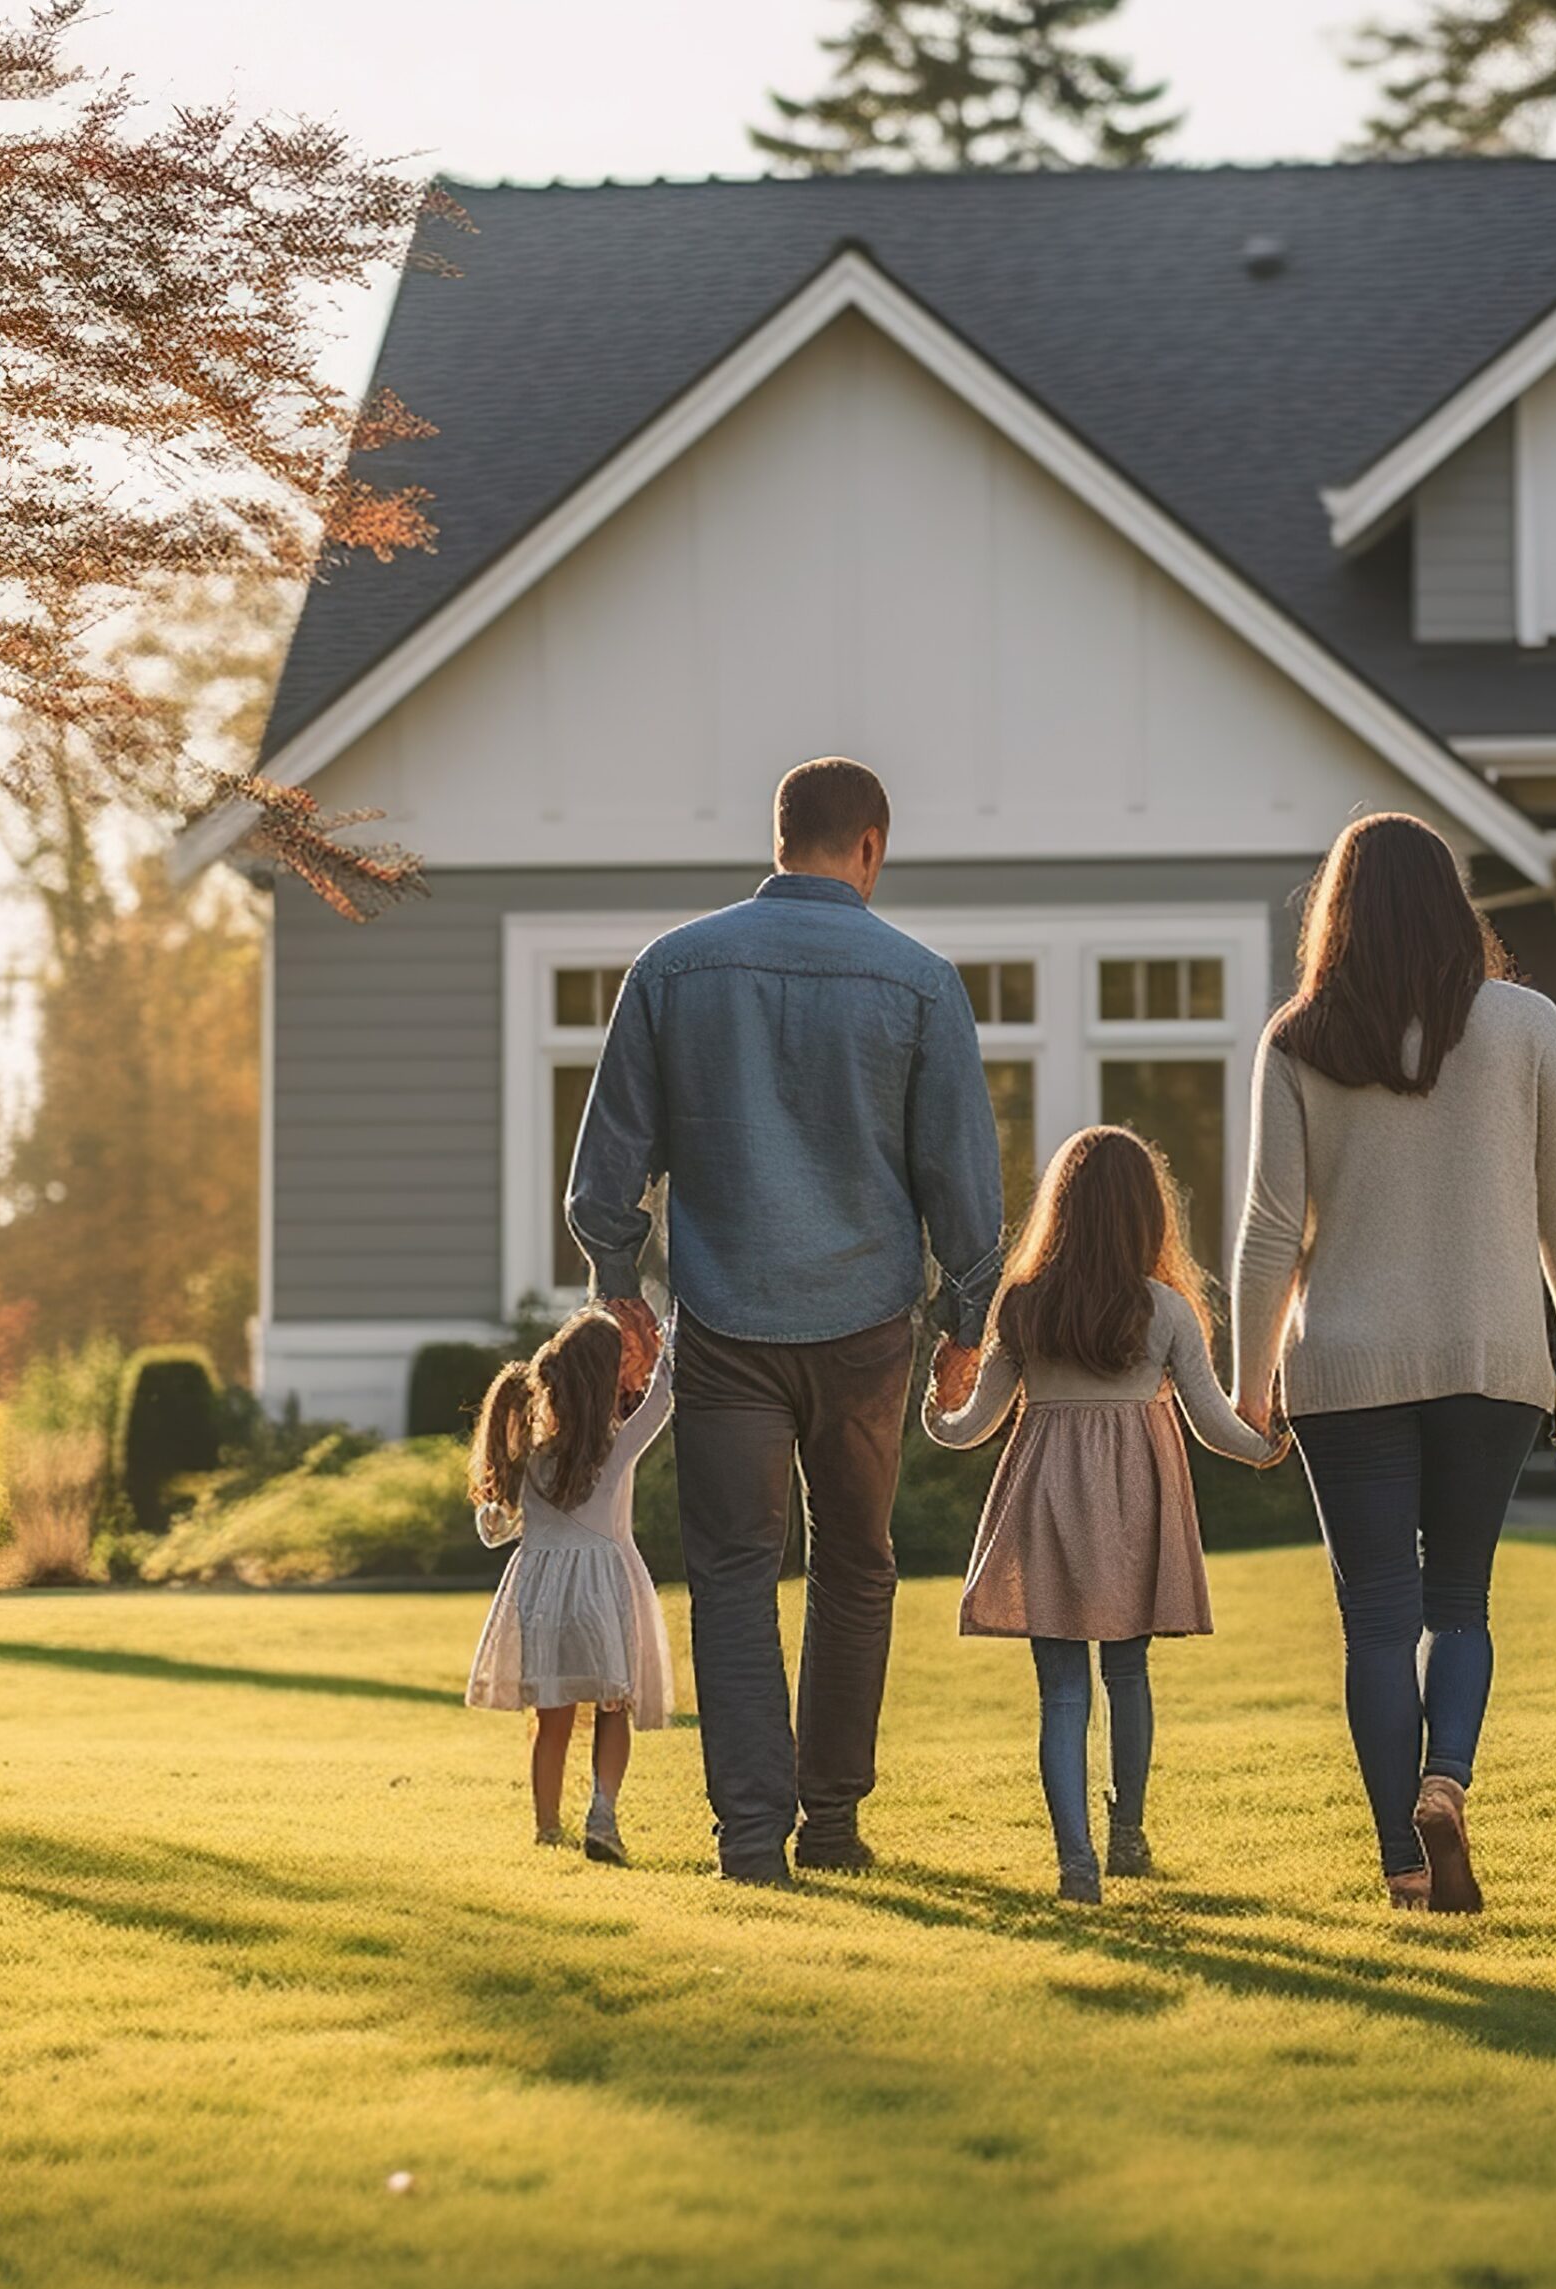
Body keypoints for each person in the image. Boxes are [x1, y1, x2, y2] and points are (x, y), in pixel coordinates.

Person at [566, 757, 1003, 1886]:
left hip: (727, 1321)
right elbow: (959, 1174)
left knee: (732, 1571)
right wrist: (966, 1318)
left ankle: (751, 1841)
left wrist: (623, 1289)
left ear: (780, 840)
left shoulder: (673, 968)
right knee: (856, 1567)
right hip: (864, 1329)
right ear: (871, 848)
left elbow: (605, 1166)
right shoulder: (919, 983)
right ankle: (836, 1823)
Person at [1230, 813, 1556, 1915]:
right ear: (1455, 905)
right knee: (1461, 1601)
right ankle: (1447, 1782)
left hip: (1343, 1364)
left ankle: (1403, 1865)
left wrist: (1252, 1385)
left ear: (1334, 914)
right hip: (1493, 1356)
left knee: (1377, 1621)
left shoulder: (1298, 1038)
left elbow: (1267, 1229)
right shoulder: (1529, 1025)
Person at [924, 1127, 1279, 1904]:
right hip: (1133, 1505)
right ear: (1147, 1216)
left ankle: (1075, 1863)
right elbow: (1212, 1420)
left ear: (1062, 1211)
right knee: (1127, 1672)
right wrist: (1267, 1445)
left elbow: (974, 1424)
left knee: (1059, 1693)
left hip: (1046, 1501)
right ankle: (1129, 1835)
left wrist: (934, 1408)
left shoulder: (1023, 1305)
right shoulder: (1167, 1311)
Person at [464, 1304, 675, 1866]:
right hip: (606, 1596)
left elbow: (494, 1531)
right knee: (613, 1709)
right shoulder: (616, 1448)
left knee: (551, 1717)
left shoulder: (533, 1460)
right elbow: (662, 1398)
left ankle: (547, 1825)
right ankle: (602, 1814)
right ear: (607, 1381)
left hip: (543, 1602)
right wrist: (672, 1326)